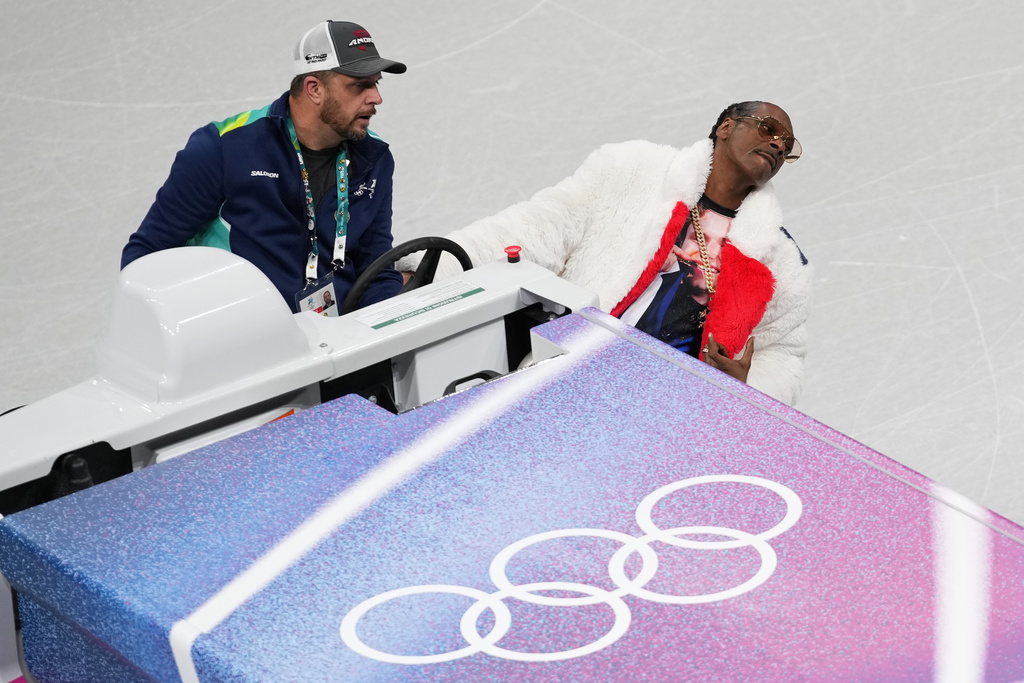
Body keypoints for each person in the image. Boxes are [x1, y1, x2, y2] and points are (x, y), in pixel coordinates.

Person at [399, 102, 811, 405]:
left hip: (668, 413)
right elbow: (539, 226)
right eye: (768, 128)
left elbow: (784, 352)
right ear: (725, 126)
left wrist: (749, 392)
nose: (777, 143)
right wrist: (429, 273)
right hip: (567, 376)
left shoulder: (778, 257)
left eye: (786, 144)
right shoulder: (632, 171)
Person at [122, 20, 406, 316]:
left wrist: (387, 328)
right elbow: (145, 259)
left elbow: (377, 268)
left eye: (376, 83)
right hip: (243, 339)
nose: (376, 97)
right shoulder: (223, 147)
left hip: (335, 340)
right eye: (360, 86)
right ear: (314, 89)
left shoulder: (375, 158)